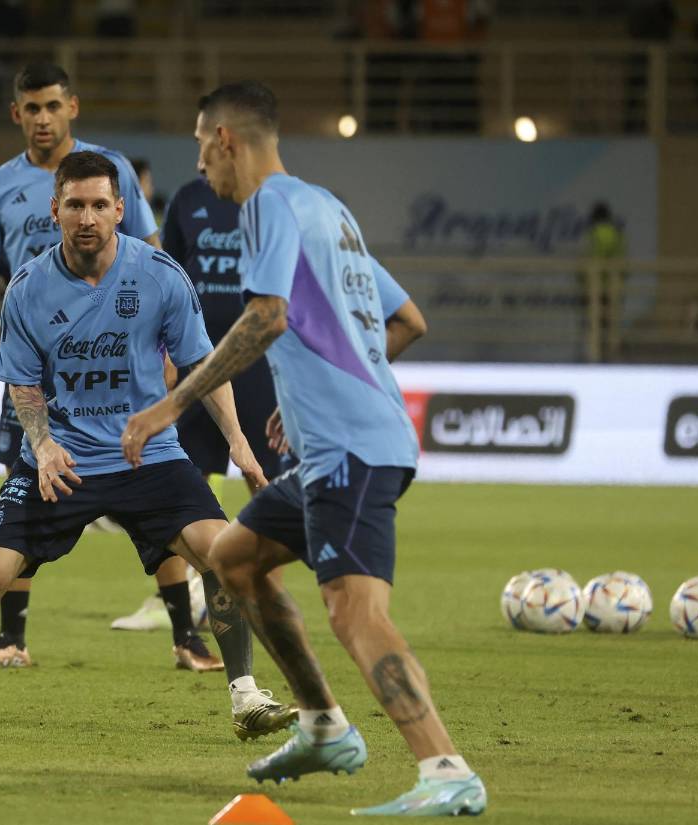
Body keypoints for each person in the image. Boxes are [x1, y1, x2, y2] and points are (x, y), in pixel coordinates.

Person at [121, 82, 487, 817]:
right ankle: (323, 726)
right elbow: (407, 319)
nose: (200, 163)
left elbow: (266, 317)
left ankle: (446, 769)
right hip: (338, 443)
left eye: (200, 144)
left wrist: (174, 400)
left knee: (355, 612)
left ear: (226, 137)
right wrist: (319, 389)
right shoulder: (330, 209)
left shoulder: (266, 206)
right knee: (232, 559)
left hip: (350, 449)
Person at [0, 151, 296, 742]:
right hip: (62, 460)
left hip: (149, 457)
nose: (88, 217)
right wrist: (45, 444)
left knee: (226, 557)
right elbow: (24, 387)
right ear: (55, 210)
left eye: (100, 205)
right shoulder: (29, 287)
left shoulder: (159, 274)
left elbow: (201, 366)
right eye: (75, 205)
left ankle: (246, 697)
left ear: (120, 210)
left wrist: (237, 441)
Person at [0, 62, 212, 671]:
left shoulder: (105, 172)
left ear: (71, 108)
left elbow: (151, 255)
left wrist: (161, 350)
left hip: (115, 363)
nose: (41, 118)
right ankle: (12, 640)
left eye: (51, 106)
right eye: (30, 108)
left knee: (152, 484)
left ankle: (186, 636)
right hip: (35, 363)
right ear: (16, 115)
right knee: (26, 475)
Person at [110, 174, 279, 632]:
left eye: (203, 141)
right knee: (184, 477)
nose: (199, 156)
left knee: (264, 479)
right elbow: (166, 274)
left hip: (261, 361)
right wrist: (164, 351)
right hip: (195, 359)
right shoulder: (188, 198)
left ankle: (267, 598)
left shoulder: (275, 201)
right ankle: (176, 597)